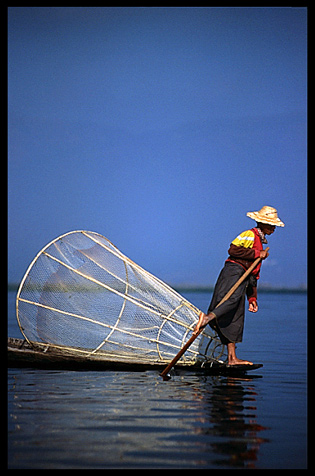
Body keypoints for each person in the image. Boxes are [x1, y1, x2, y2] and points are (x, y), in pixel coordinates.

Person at [194, 206, 285, 366]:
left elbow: (253, 274)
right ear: (262, 223)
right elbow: (233, 250)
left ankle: (232, 358)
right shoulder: (250, 234)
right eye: (271, 224)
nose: (273, 228)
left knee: (236, 316)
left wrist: (252, 298)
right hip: (233, 272)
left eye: (274, 225)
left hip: (244, 277)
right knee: (232, 299)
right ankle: (207, 318)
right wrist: (258, 254)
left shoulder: (260, 243)